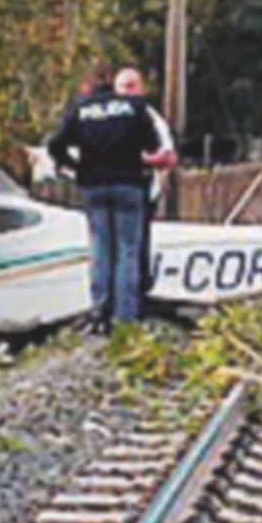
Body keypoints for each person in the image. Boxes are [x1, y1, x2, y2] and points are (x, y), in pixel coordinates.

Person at [48, 62, 159, 332]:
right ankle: (126, 317)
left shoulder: (80, 108)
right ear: (113, 81)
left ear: (89, 83)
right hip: (129, 184)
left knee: (100, 249)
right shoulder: (134, 107)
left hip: (94, 185)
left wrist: (74, 167)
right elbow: (152, 143)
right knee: (128, 251)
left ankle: (100, 312)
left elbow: (55, 144)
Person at [114, 67, 177, 304]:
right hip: (108, 195)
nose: (126, 92)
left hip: (139, 193)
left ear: (141, 89)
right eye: (122, 87)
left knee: (135, 251)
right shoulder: (102, 116)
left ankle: (138, 301)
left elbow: (169, 157)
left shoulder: (150, 118)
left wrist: (138, 159)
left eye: (131, 86)